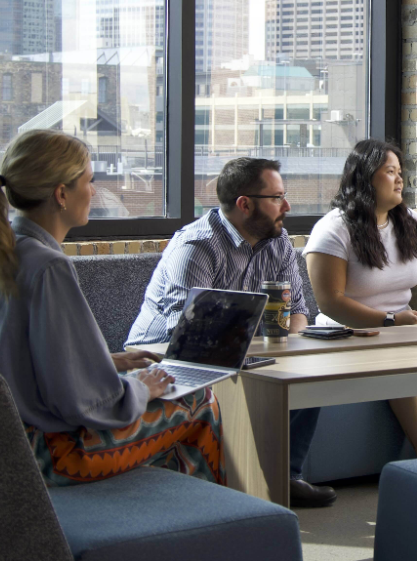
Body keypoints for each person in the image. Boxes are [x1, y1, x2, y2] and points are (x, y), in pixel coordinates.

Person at [0, 129, 216, 486]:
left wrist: (106, 364)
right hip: (46, 454)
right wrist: (142, 388)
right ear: (61, 194)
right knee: (198, 402)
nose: (94, 191)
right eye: (89, 180)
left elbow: (20, 361)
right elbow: (87, 406)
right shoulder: (47, 266)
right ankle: (211, 528)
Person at [126, 157, 335, 506]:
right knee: (227, 381)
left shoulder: (278, 241)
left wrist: (278, 345)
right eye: (277, 197)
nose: (286, 206)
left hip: (244, 350)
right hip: (163, 356)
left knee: (306, 376)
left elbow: (298, 312)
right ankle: (226, 491)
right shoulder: (197, 247)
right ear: (245, 204)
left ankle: (286, 477)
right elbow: (191, 334)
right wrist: (260, 343)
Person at [305, 139, 417, 458]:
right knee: (405, 357)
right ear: (365, 177)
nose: (399, 179)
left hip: (402, 326)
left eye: (400, 172)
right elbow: (330, 302)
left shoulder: (410, 222)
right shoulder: (334, 229)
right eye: (390, 171)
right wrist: (390, 321)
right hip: (347, 334)